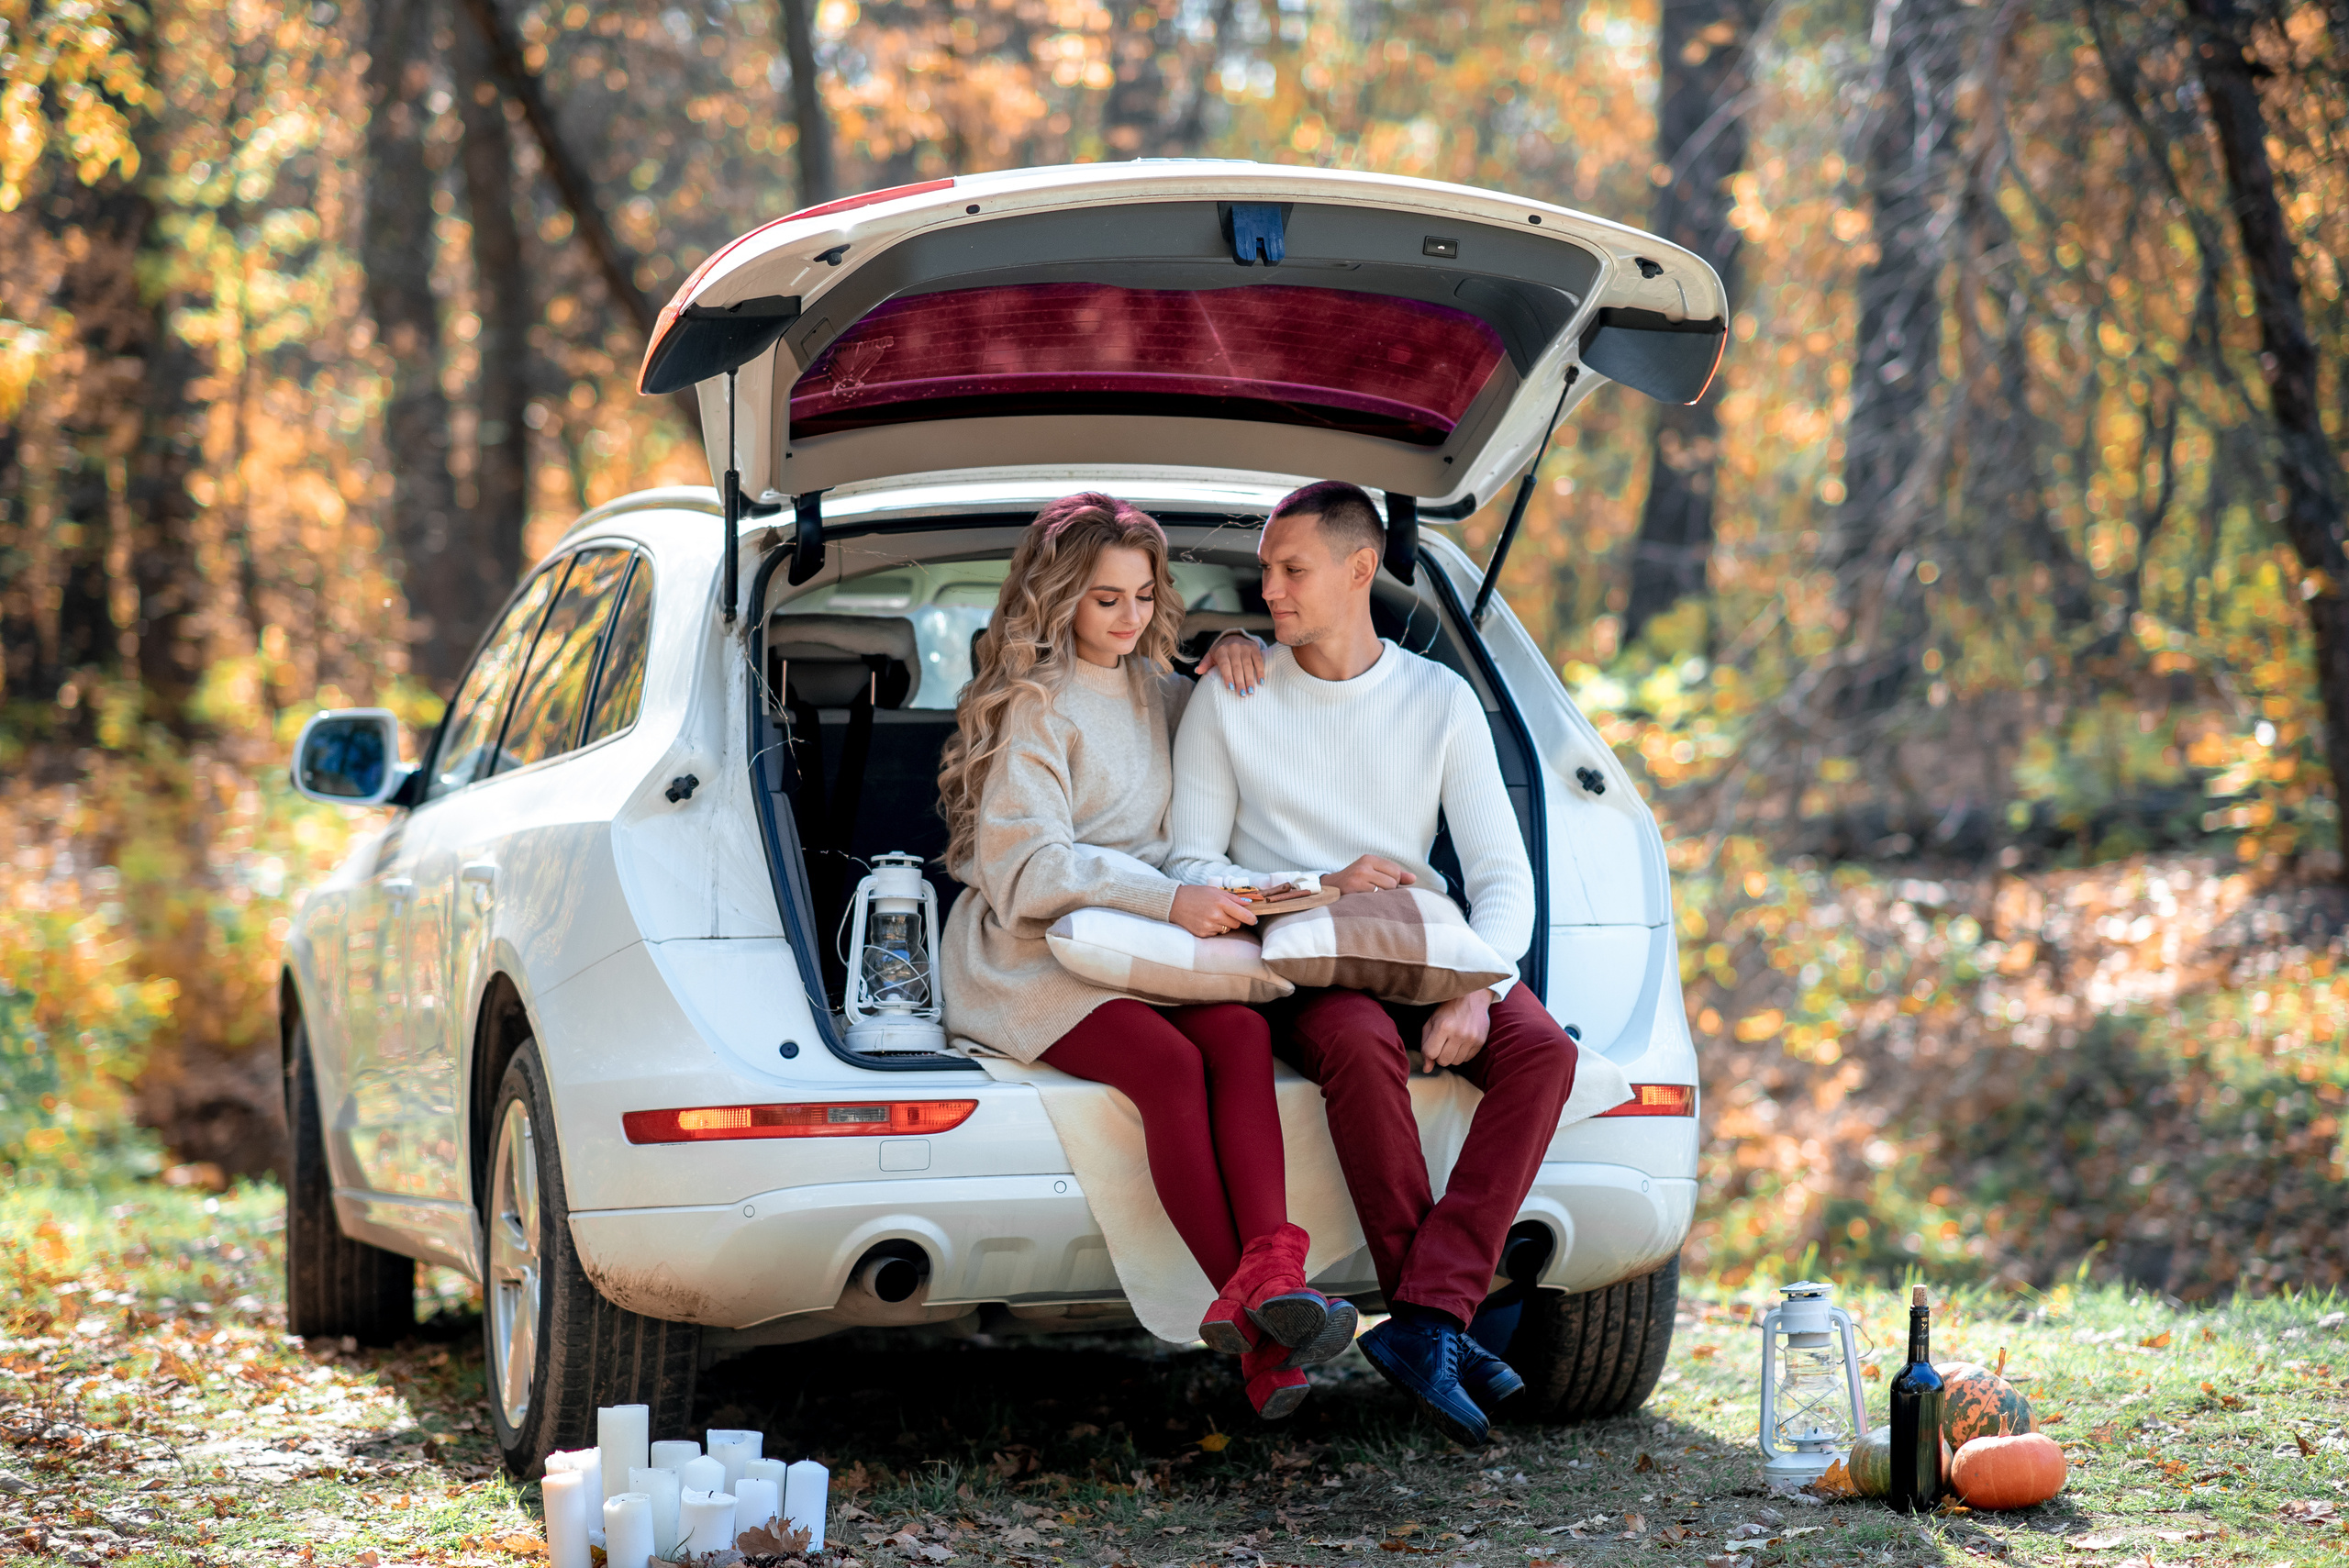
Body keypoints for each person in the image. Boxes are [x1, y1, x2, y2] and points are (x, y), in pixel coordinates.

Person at [1165, 479, 1579, 1446]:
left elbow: (1501, 877)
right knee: (1357, 1043)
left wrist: (1479, 989)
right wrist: (1321, 882)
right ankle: (1437, 1322)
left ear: (1359, 569)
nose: (1269, 588)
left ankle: (1428, 1317)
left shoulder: (1439, 699)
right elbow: (1189, 864)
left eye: (1292, 569)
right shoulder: (1231, 694)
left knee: (1545, 1051)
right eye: (1265, 569)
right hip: (1303, 956)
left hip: (1423, 947)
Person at [936, 492, 1357, 1418]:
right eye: (1105, 599)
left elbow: (1234, 725)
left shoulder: (1155, 689)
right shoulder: (1035, 707)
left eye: (1142, 595)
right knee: (1169, 1065)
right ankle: (1262, 1339)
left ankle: (1271, 1271)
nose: (1128, 617)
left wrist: (1240, 647)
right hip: (1028, 955)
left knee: (1241, 1034)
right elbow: (1030, 869)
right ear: (1058, 599)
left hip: (1144, 943)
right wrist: (1169, 899)